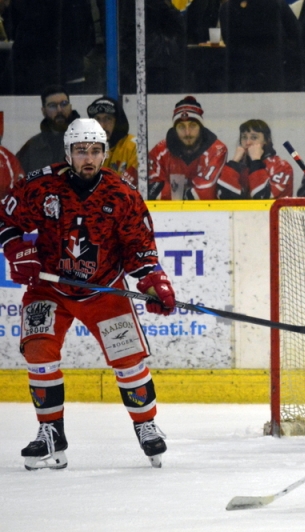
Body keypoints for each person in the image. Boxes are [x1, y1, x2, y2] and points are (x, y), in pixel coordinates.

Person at [0, 119, 176, 470]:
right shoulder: (40, 186)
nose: (89, 158)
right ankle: (50, 430)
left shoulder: (122, 195)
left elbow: (140, 250)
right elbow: (6, 220)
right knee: (39, 350)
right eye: (81, 151)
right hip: (49, 287)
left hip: (104, 288)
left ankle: (146, 426)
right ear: (68, 153)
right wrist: (18, 250)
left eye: (95, 151)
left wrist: (155, 284)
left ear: (105, 154)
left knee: (128, 359)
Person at [147, 96, 228, 200]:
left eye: (193, 125)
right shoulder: (160, 151)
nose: (187, 133)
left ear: (201, 127)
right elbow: (151, 191)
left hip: (207, 214)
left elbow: (204, 193)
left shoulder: (217, 149)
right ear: (174, 129)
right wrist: (188, 192)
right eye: (181, 126)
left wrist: (174, 193)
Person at [219, 0, 303, 92]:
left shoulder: (226, 8)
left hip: (239, 74)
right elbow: (297, 34)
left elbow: (227, 39)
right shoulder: (276, 4)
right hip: (271, 73)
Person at [217, 119, 294, 199]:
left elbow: (263, 199)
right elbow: (224, 198)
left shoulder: (282, 166)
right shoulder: (238, 167)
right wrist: (233, 163)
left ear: (266, 141)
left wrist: (256, 162)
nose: (247, 142)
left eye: (254, 137)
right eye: (244, 137)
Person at [16, 86, 80, 174]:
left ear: (70, 107)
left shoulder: (84, 141)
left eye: (64, 104)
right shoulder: (31, 147)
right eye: (52, 106)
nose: (59, 110)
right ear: (43, 111)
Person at [87, 96, 138, 187]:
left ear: (117, 121)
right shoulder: (87, 148)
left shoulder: (133, 146)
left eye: (108, 119)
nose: (102, 125)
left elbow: (129, 189)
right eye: (97, 119)